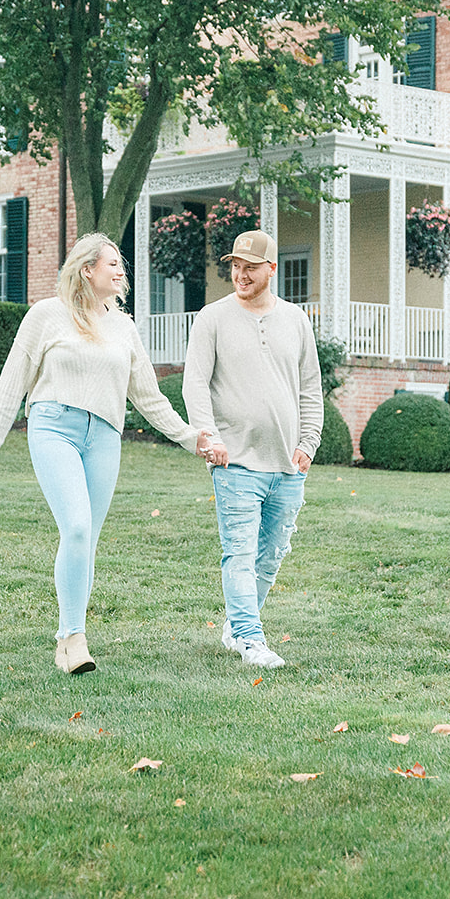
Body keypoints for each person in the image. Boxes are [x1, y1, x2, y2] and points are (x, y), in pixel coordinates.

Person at [0, 232, 214, 675]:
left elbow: (147, 396)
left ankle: (70, 638)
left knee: (86, 541)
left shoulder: (123, 327)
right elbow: (14, 376)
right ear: (87, 269)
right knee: (78, 527)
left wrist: (189, 436)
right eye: (112, 264)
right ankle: (73, 636)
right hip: (53, 428)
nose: (121, 271)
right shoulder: (47, 315)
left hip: (104, 435)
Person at [184, 229, 322, 669]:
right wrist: (209, 435)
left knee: (270, 555)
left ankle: (235, 624)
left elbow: (310, 389)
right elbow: (195, 384)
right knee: (239, 552)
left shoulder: (297, 320)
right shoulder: (212, 318)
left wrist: (309, 443)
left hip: (287, 463)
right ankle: (249, 638)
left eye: (249, 267)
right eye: (234, 267)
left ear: (271, 270)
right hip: (235, 460)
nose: (239, 275)